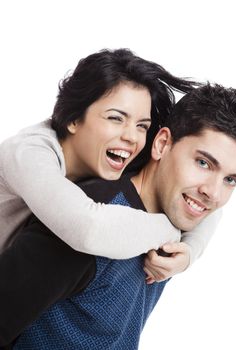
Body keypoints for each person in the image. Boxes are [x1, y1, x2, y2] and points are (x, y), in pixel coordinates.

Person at [0, 83, 236, 349]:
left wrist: (190, 253)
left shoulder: (179, 213)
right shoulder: (87, 217)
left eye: (230, 180)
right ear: (162, 144)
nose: (213, 194)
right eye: (203, 163)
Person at [0, 49, 219, 278]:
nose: (132, 137)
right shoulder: (26, 153)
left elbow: (208, 204)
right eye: (116, 118)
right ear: (74, 118)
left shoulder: (117, 154)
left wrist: (190, 253)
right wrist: (172, 231)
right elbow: (89, 229)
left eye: (142, 125)